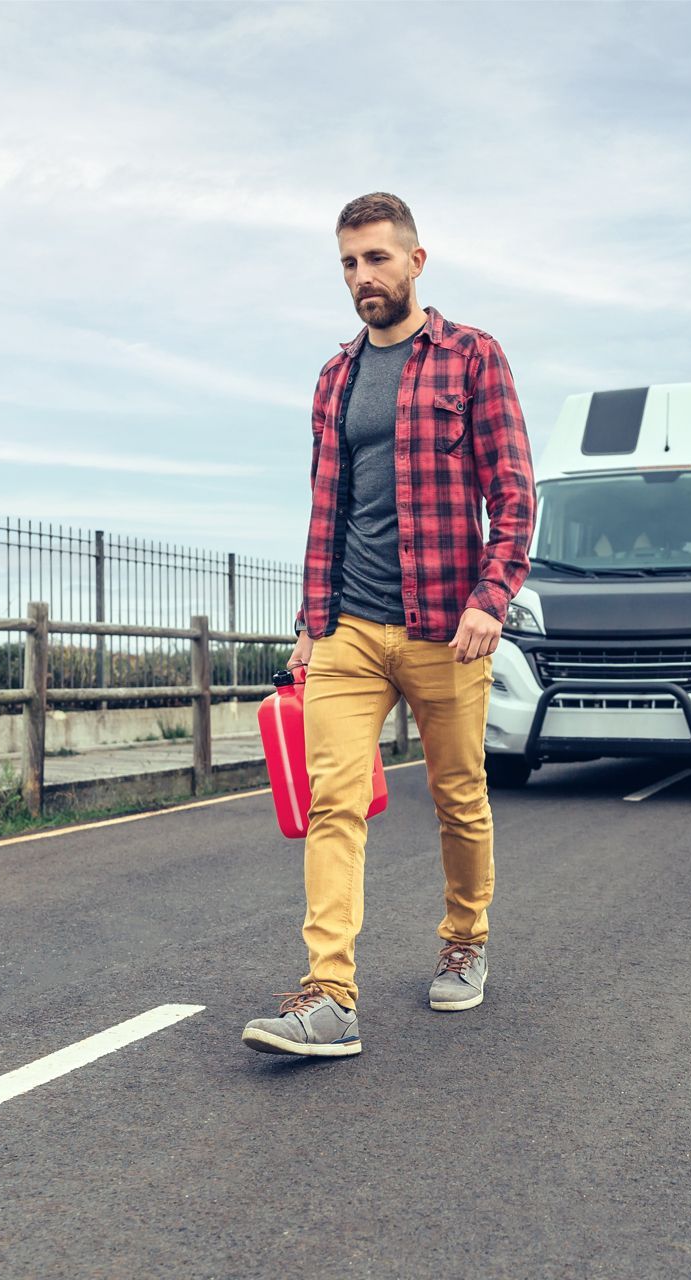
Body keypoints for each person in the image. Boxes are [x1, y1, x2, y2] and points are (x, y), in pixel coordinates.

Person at [241, 193, 536, 1058]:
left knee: (458, 796)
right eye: (348, 264)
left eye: (376, 259)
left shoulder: (472, 358)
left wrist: (493, 595)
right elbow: (324, 509)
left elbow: (514, 492)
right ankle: (329, 994)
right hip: (348, 634)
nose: (362, 277)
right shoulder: (336, 378)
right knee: (334, 802)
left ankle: (465, 938)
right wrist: (309, 622)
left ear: (416, 261)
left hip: (448, 627)